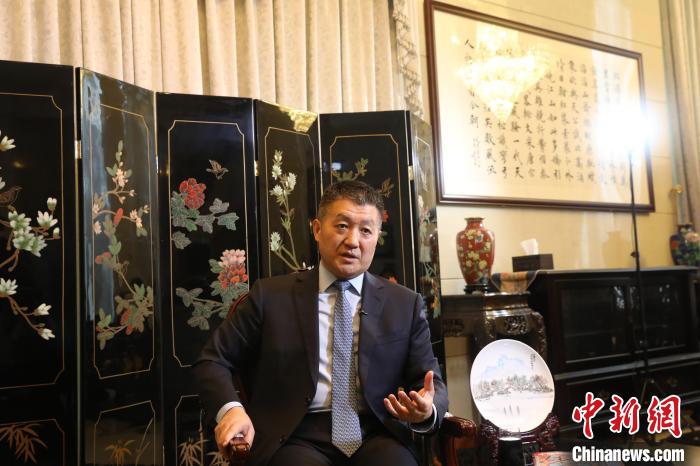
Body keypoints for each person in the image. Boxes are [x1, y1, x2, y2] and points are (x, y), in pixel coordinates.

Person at [194, 180, 448, 466]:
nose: (353, 241)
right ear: (317, 229)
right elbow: (213, 360)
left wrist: (426, 410)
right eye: (342, 226)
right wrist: (231, 410)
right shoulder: (270, 296)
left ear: (377, 237)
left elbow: (430, 382)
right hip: (293, 435)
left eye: (366, 231)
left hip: (378, 432)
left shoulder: (404, 304)